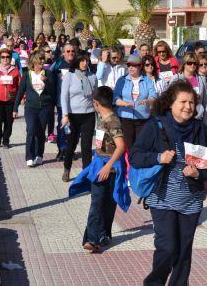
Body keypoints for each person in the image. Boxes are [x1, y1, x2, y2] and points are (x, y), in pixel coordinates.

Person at [130, 81, 207, 286]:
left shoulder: (200, 129)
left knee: (183, 252)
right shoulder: (155, 125)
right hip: (161, 199)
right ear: (170, 104)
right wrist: (159, 158)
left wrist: (199, 174)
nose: (188, 107)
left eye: (192, 103)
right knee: (167, 248)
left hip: (191, 201)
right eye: (183, 102)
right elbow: (135, 157)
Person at [68, 86, 129, 253]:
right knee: (99, 202)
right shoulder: (102, 119)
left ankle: (96, 238)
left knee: (104, 203)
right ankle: (97, 237)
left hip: (109, 168)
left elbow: (121, 146)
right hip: (99, 165)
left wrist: (108, 166)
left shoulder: (112, 121)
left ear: (96, 103)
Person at [113, 55, 158, 166]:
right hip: (126, 119)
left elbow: (154, 96)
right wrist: (124, 103)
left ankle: (138, 170)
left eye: (134, 65)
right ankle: (129, 172)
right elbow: (115, 98)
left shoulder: (147, 80)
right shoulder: (122, 80)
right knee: (129, 147)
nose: (131, 68)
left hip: (143, 119)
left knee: (141, 147)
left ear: (140, 66)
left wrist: (147, 101)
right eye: (129, 65)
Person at [14, 52, 56, 167]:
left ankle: (39, 155)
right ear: (33, 62)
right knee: (31, 130)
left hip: (45, 107)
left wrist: (46, 80)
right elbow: (20, 92)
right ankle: (29, 156)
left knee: (41, 132)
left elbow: (53, 91)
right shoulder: (27, 75)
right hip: (31, 107)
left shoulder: (48, 73)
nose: (42, 61)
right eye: (40, 59)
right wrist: (15, 108)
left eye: (43, 59)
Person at [60, 53, 98, 182]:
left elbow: (95, 96)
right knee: (71, 144)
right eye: (82, 61)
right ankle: (67, 169)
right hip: (73, 116)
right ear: (77, 62)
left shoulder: (92, 77)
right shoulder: (70, 76)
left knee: (86, 146)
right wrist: (65, 115)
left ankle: (86, 173)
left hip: (89, 115)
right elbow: (64, 96)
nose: (84, 63)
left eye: (86, 61)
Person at [0, 48, 21, 148]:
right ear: (0, 58)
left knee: (9, 121)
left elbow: (20, 86)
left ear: (10, 58)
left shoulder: (15, 71)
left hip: (11, 99)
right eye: (3, 57)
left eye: (7, 57)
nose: (5, 59)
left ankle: (6, 140)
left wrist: (22, 97)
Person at [50, 43, 77, 161]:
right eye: (68, 51)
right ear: (63, 53)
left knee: (75, 128)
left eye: (72, 51)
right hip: (62, 102)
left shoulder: (79, 64)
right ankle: (62, 149)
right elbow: (50, 80)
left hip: (77, 103)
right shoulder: (57, 65)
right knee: (62, 126)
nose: (70, 53)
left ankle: (70, 149)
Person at [169, 52, 207, 122]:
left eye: (195, 63)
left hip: (197, 118)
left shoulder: (201, 79)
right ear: (184, 64)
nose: (192, 65)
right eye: (189, 63)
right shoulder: (176, 78)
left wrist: (206, 122)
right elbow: (170, 100)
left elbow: (205, 102)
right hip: (180, 118)